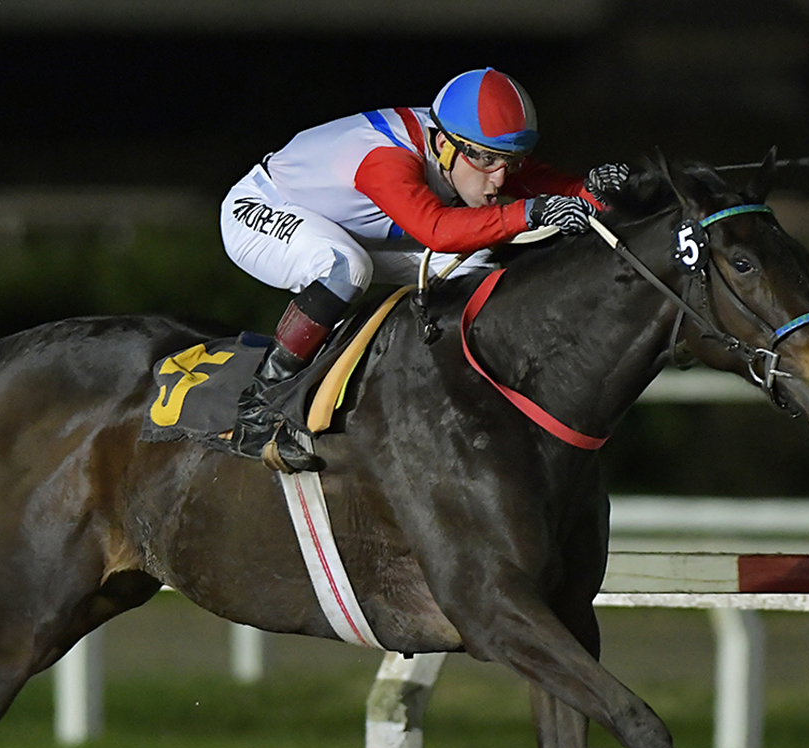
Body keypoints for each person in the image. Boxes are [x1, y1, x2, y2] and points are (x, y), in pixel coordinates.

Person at [219, 67, 629, 472]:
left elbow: (530, 179)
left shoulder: (457, 142)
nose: (500, 178)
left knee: (477, 265)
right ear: (444, 146)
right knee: (346, 268)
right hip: (262, 207)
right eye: (488, 160)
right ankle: (256, 411)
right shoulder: (386, 158)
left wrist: (591, 191)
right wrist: (529, 213)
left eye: (510, 161)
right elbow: (437, 231)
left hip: (347, 225)